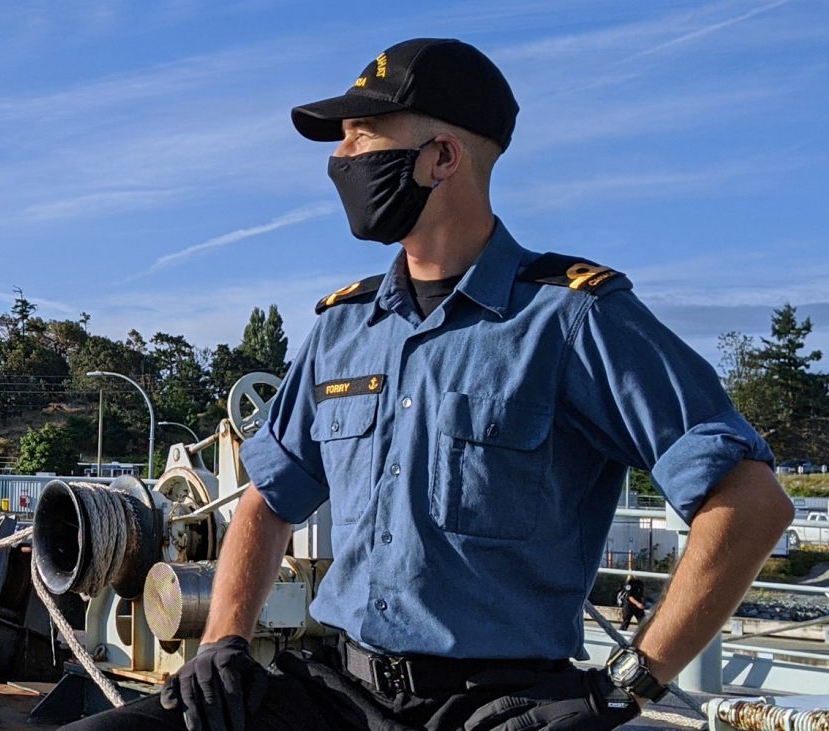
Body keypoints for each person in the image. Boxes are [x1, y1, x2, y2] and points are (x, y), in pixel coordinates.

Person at [62, 37, 794, 731]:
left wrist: (627, 681)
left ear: (442, 157)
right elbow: (268, 495)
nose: (340, 160)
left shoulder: (572, 319)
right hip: (338, 691)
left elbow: (750, 501)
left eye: (362, 136)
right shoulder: (342, 328)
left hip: (502, 707)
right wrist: (224, 640)